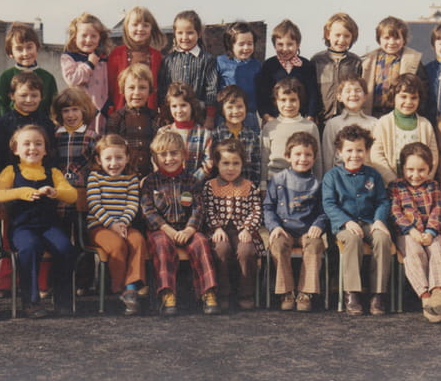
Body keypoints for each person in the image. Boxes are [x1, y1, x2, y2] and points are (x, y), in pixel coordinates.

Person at [0, 124, 77, 318]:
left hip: (49, 226)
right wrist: (21, 192)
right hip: (22, 227)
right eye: (26, 144)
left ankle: (63, 300)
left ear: (45, 150)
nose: (32, 148)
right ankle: (31, 302)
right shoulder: (12, 171)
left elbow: (72, 195)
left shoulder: (52, 172)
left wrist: (55, 192)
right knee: (30, 248)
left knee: (65, 248)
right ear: (15, 149)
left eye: (38, 144)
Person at [0, 72, 57, 297]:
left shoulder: (46, 122)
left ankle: (42, 282)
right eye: (23, 95)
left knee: (41, 233)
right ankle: (6, 283)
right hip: (12, 182)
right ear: (12, 96)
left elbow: (51, 154)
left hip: (41, 182)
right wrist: (7, 183)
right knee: (12, 236)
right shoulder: (4, 122)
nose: (29, 100)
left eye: (34, 95)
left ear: (41, 97)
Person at [140, 130, 220, 315]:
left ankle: (208, 292)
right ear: (155, 158)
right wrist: (168, 230)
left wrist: (189, 230)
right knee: (161, 244)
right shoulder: (150, 182)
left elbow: (198, 208)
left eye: (174, 153)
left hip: (186, 229)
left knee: (201, 242)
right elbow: (148, 211)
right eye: (163, 154)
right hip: (161, 229)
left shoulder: (191, 181)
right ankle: (167, 294)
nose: (169, 159)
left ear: (183, 155)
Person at [322, 125, 391, 316]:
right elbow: (328, 204)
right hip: (344, 225)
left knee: (383, 239)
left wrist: (379, 220)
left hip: (369, 221)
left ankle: (378, 294)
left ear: (366, 151)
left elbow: (383, 201)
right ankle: (352, 293)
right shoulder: (332, 176)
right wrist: (346, 221)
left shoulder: (373, 175)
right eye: (349, 150)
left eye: (359, 150)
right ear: (339, 152)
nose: (355, 155)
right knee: (352, 240)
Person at [388, 142, 441, 323]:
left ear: (429, 169)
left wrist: (430, 232)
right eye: (410, 170)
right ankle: (426, 297)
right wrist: (411, 231)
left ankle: (438, 293)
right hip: (407, 234)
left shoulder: (433, 186)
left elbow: (438, 210)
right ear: (403, 168)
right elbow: (395, 212)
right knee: (414, 252)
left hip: (431, 232)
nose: (415, 175)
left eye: (421, 170)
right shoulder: (396, 186)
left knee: (437, 250)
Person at [263, 132, 327, 311]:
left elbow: (324, 211)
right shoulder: (278, 180)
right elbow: (268, 207)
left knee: (315, 246)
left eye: (308, 155)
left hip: (308, 230)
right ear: (288, 156)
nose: (303, 159)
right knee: (278, 245)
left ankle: (306, 293)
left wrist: (318, 225)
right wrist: (274, 226)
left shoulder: (317, 183)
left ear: (314, 158)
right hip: (284, 229)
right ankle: (287, 292)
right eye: (298, 154)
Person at [86, 134, 148, 315]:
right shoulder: (95, 177)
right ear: (99, 160)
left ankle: (131, 288)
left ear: (127, 158)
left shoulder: (131, 178)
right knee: (117, 245)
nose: (114, 163)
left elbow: (132, 204)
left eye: (119, 158)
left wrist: (123, 222)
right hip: (99, 227)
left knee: (137, 240)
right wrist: (112, 224)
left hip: (124, 225)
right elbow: (94, 204)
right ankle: (119, 287)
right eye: (108, 159)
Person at [203, 138, 264, 311]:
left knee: (246, 251)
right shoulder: (210, 186)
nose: (230, 168)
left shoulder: (249, 186)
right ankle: (223, 293)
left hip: (242, 230)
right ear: (217, 163)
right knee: (221, 249)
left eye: (236, 163)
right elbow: (208, 209)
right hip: (219, 231)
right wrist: (216, 227)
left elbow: (256, 210)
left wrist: (248, 228)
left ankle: (246, 293)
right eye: (225, 163)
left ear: (242, 164)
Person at [51, 87, 99, 295]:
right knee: (60, 238)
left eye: (75, 110)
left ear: (84, 111)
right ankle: (61, 282)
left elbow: (97, 165)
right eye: (66, 111)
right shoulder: (55, 136)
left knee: (83, 239)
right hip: (60, 197)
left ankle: (83, 282)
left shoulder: (92, 136)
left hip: (83, 197)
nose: (70, 115)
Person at [370, 73, 439, 186]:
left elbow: (433, 156)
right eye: (403, 97)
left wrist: (425, 179)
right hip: (391, 185)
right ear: (393, 97)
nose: (408, 102)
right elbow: (376, 155)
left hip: (420, 183)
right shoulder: (383, 123)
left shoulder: (425, 125)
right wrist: (393, 181)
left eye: (413, 98)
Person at [158, 10, 218, 129]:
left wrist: (210, 118)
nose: (184, 37)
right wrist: (165, 116)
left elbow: (211, 90)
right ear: (174, 34)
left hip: (200, 118)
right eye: (180, 33)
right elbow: (163, 89)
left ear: (199, 33)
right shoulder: (168, 60)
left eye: (190, 32)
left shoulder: (207, 59)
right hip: (175, 116)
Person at [360, 16, 429, 118]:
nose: (391, 42)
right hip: (372, 114)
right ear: (379, 39)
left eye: (396, 38)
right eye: (387, 38)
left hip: (400, 114)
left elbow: (423, 90)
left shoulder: (414, 60)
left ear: (404, 39)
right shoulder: (367, 61)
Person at [261, 78, 322, 190]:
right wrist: (263, 185)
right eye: (283, 100)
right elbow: (264, 159)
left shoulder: (310, 126)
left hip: (303, 181)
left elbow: (317, 159)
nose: (288, 104)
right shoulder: (269, 127)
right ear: (276, 101)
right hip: (275, 181)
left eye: (293, 100)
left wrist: (319, 183)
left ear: (300, 100)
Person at [256, 19, 320, 124]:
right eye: (280, 44)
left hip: (301, 119)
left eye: (290, 44)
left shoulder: (306, 65)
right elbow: (262, 94)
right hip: (275, 119)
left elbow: (313, 93)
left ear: (298, 44)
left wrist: (311, 115)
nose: (285, 49)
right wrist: (266, 116)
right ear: (274, 45)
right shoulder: (269, 65)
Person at [60, 13, 113, 134]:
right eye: (84, 35)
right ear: (75, 37)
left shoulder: (104, 59)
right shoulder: (69, 57)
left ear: (100, 38)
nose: (88, 40)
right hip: (80, 112)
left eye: (93, 36)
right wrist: (89, 65)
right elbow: (72, 79)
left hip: (102, 113)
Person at [107, 6, 166, 113]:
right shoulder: (116, 55)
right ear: (126, 28)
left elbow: (159, 88)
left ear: (151, 28)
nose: (140, 29)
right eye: (135, 25)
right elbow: (110, 87)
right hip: (122, 114)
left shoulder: (156, 56)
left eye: (145, 25)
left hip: (149, 115)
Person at [106, 63, 160, 178]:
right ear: (123, 90)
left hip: (151, 178)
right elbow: (111, 152)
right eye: (131, 87)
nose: (137, 92)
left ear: (150, 90)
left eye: (142, 87)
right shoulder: (116, 119)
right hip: (123, 178)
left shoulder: (156, 118)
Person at [0, 22, 58, 118]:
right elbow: (0, 106)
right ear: (10, 53)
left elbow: (54, 108)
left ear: (37, 47)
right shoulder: (6, 76)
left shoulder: (48, 77)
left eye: (29, 47)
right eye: (19, 49)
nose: (25, 53)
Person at [310, 12, 363, 124]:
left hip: (347, 118)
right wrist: (312, 113)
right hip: (321, 119)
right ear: (328, 35)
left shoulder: (355, 62)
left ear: (352, 37)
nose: (342, 40)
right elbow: (311, 90)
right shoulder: (317, 60)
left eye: (346, 36)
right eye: (337, 35)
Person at [321, 75, 377, 172]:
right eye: (348, 91)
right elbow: (328, 156)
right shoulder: (333, 124)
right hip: (340, 176)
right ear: (339, 97)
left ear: (365, 96)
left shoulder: (374, 123)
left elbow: (376, 155)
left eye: (358, 90)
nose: (353, 94)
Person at [158, 82, 213, 182]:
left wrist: (191, 181)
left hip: (195, 185)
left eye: (183, 105)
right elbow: (157, 159)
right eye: (174, 106)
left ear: (192, 106)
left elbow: (208, 162)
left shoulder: (204, 134)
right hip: (168, 183)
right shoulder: (163, 132)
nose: (179, 110)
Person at [211, 85, 261, 187]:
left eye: (239, 106)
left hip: (246, 189)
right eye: (230, 107)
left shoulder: (252, 137)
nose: (235, 111)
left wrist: (253, 187)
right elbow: (213, 167)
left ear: (246, 108)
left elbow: (256, 166)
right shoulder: (215, 136)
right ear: (222, 110)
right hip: (221, 190)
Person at [216, 21, 262, 131]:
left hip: (249, 115)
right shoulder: (220, 62)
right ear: (231, 45)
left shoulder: (256, 65)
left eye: (250, 44)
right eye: (241, 44)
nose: (246, 48)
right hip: (226, 115)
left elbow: (261, 92)